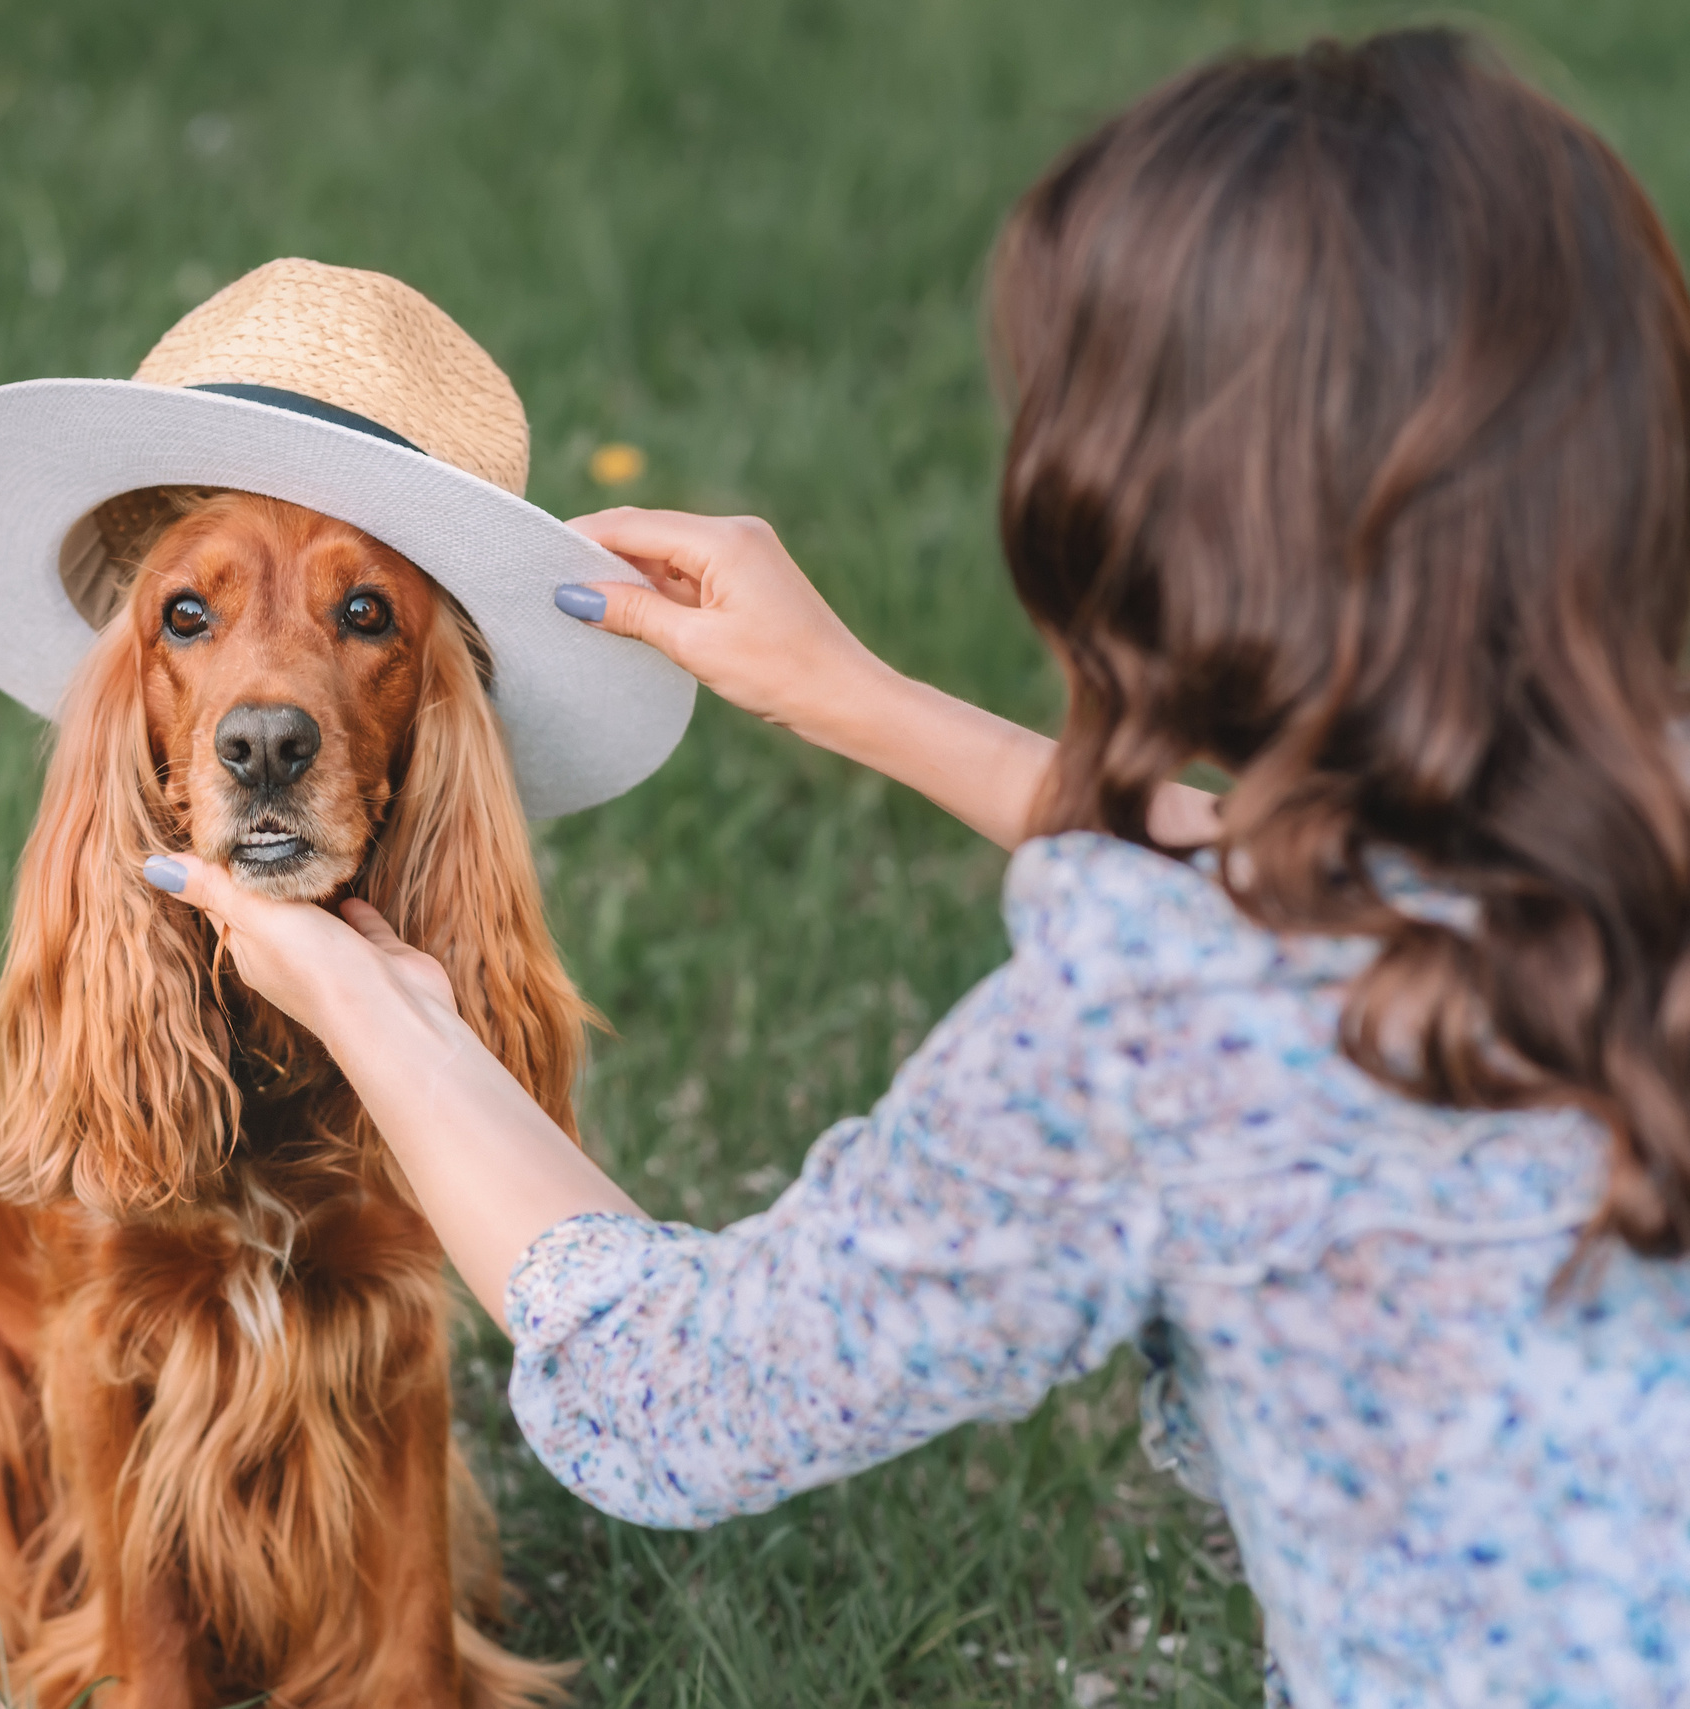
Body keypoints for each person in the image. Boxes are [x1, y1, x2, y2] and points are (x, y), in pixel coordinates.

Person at [141, 29, 1690, 1707]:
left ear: (1154, 532)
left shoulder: (1164, 1035)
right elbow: (1342, 878)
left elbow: (677, 1400)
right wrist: (858, 699)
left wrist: (385, 1015)